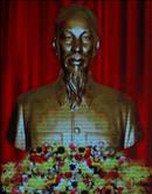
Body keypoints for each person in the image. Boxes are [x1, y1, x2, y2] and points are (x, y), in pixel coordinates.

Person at [8, 4, 141, 151]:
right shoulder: (27, 107)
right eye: (67, 38)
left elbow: (132, 162)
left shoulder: (123, 108)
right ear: (56, 46)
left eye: (85, 38)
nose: (77, 47)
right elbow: (16, 160)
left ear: (96, 46)